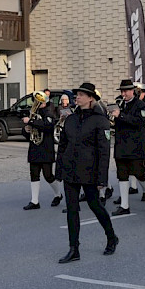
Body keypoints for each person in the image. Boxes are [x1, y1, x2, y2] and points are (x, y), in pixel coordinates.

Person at [56, 83, 118, 263]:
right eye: (77, 95)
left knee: (95, 205)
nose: (78, 97)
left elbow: (104, 151)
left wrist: (102, 178)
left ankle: (111, 237)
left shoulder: (100, 120)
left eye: (82, 95)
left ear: (91, 98)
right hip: (70, 170)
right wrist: (59, 168)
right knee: (72, 210)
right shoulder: (71, 119)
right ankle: (74, 248)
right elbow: (63, 146)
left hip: (89, 171)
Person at [110, 79, 145, 215]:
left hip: (135, 146)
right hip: (121, 145)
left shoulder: (141, 105)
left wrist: (121, 115)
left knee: (139, 173)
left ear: (132, 91)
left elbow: (139, 122)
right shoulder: (120, 104)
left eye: (126, 91)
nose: (123, 94)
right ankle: (125, 206)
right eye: (122, 91)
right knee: (122, 175)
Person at [21, 91, 63, 210]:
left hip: (45, 148)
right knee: (34, 174)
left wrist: (30, 121)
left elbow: (47, 126)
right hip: (35, 147)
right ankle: (34, 201)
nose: (37, 103)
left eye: (40, 102)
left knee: (48, 175)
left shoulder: (49, 113)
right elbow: (26, 132)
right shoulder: (33, 114)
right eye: (36, 101)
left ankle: (58, 194)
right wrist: (26, 129)